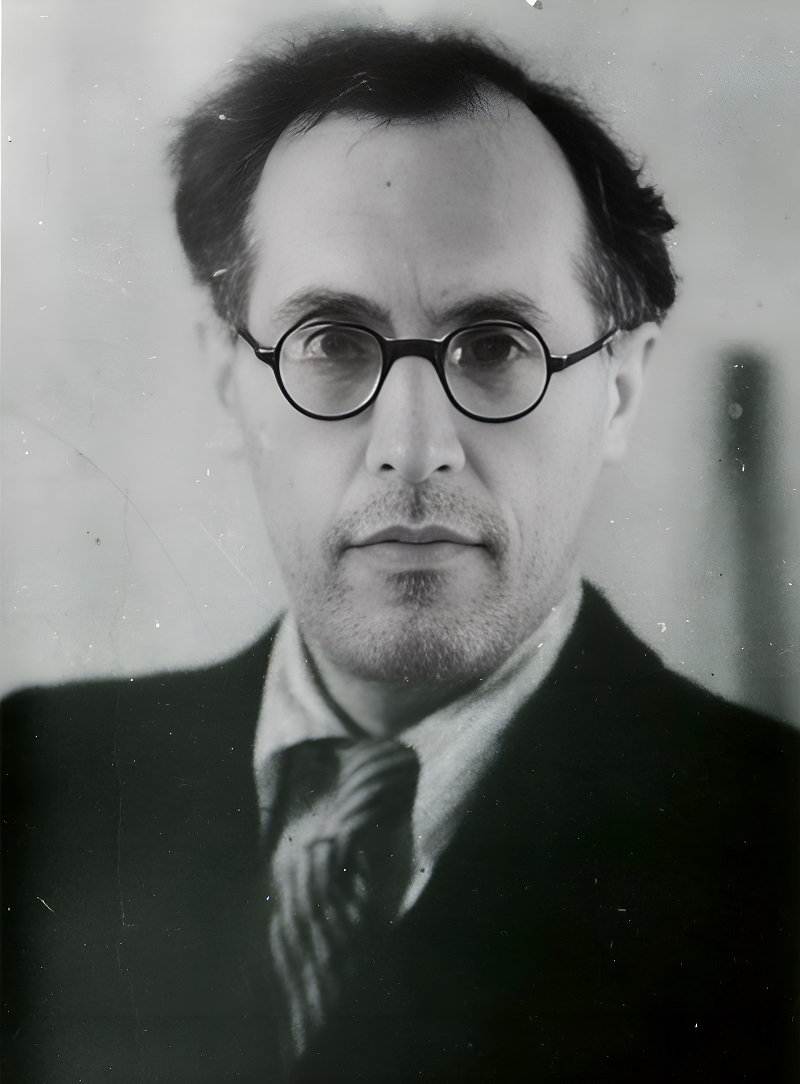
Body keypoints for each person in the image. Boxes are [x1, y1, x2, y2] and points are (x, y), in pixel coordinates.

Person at [2, 24, 797, 1084]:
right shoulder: (33, 790)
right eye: (331, 342)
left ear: (619, 389)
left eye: (496, 345)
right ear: (229, 378)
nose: (412, 448)